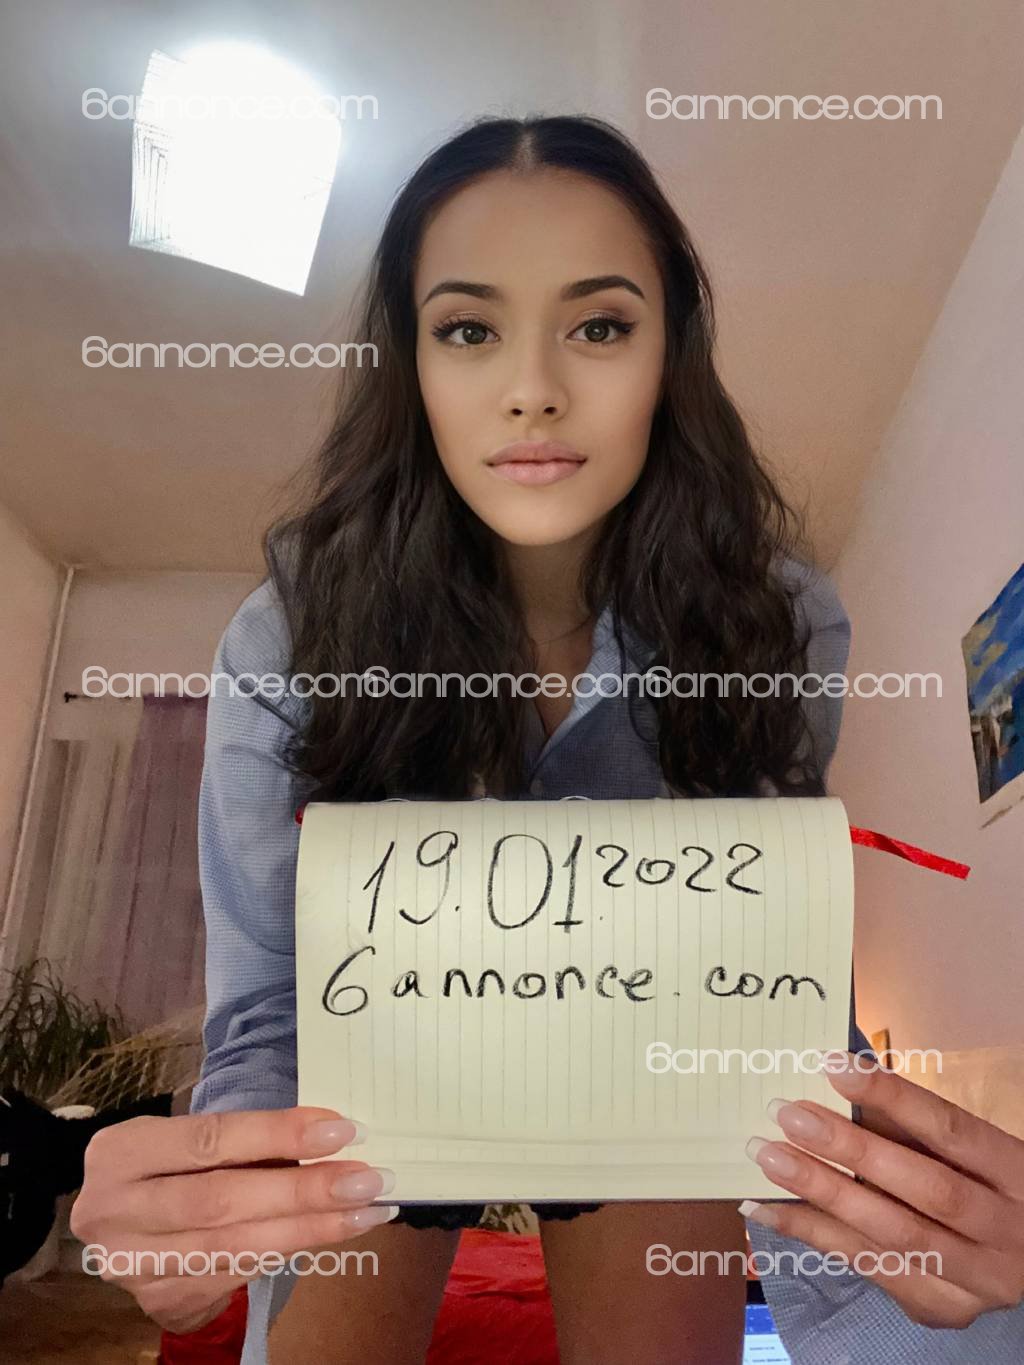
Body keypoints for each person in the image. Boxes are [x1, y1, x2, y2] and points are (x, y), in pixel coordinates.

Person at [71, 115, 1024, 1365]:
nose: (532, 388)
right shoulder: (292, 631)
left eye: (600, 325)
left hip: (648, 1068)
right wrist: (209, 1208)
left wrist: (930, 1275)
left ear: (670, 352)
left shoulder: (777, 617)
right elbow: (269, 1000)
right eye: (469, 330)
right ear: (410, 363)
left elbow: (765, 965)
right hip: (380, 1078)